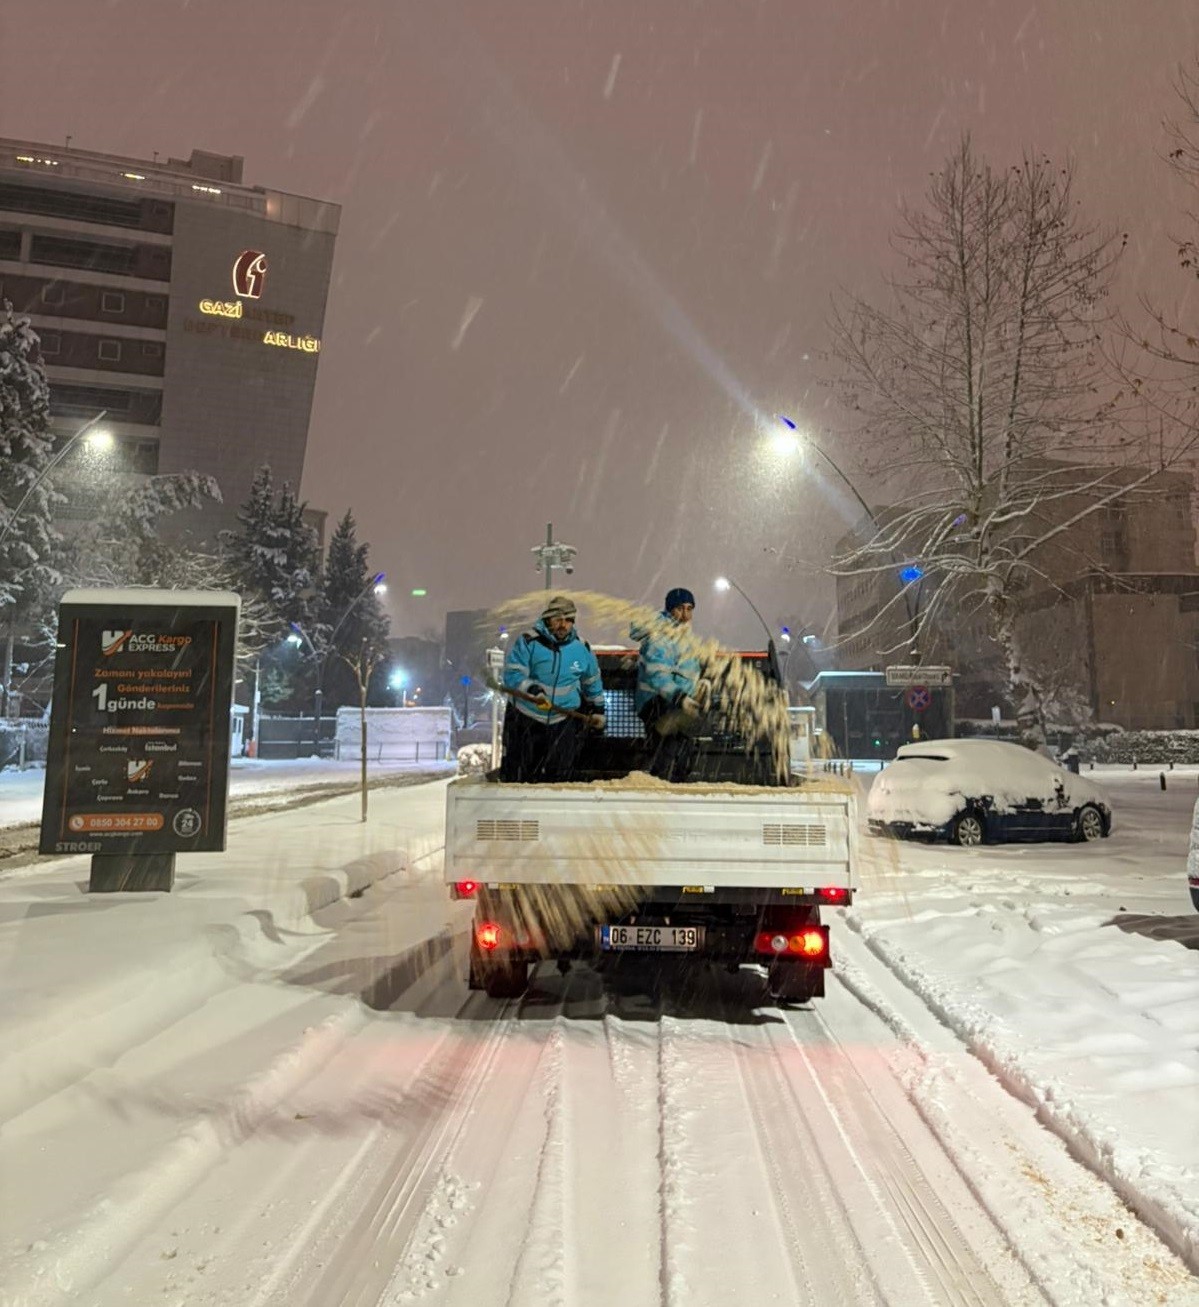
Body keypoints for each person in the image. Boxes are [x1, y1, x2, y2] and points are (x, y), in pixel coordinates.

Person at [499, 595, 605, 783]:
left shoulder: (582, 648)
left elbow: (592, 681)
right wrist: (533, 691)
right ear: (547, 620)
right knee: (520, 776)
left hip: (563, 721)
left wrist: (598, 710)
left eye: (568, 620)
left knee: (561, 776)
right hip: (527, 719)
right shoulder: (528, 642)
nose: (563, 625)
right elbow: (514, 674)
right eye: (557, 620)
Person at [634, 586, 710, 782]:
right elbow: (657, 675)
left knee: (684, 756)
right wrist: (680, 698)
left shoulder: (685, 638)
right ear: (669, 610)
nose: (685, 615)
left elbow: (686, 673)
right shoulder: (660, 637)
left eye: (689, 609)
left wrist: (697, 689)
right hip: (657, 703)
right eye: (679, 609)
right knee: (665, 756)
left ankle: (674, 793)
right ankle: (661, 797)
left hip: (679, 705)